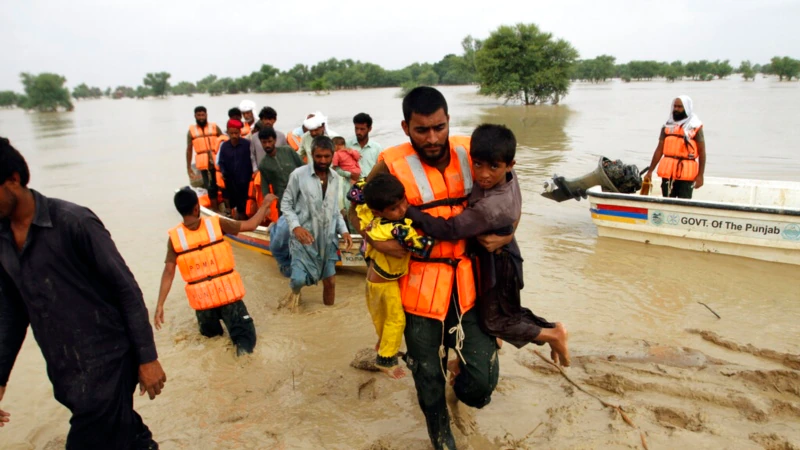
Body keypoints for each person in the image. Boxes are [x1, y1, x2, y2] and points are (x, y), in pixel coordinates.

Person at [351, 86, 514, 450]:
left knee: (483, 385)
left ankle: (461, 381)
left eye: (439, 127)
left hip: (471, 284)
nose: (432, 137)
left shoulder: (469, 150)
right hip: (418, 289)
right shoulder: (389, 163)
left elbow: (509, 189)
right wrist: (374, 239)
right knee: (427, 376)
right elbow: (356, 207)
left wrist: (509, 234)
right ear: (406, 127)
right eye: (422, 130)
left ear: (448, 121)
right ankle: (442, 439)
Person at [0, 138, 166, 448]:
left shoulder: (73, 223)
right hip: (66, 370)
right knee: (126, 438)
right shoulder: (2, 241)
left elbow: (126, 289)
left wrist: (147, 358)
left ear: (13, 180)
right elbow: (11, 313)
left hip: (109, 361)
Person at [405, 124, 570, 362]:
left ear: (509, 165)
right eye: (478, 164)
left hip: (500, 263)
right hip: (503, 252)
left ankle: (551, 334)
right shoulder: (508, 177)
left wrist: (408, 210)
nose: (483, 174)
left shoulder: (490, 206)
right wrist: (511, 231)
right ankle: (552, 330)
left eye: (494, 167)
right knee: (506, 310)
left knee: (495, 320)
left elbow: (449, 229)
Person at [154, 187, 276, 356]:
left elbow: (168, 272)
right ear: (197, 208)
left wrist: (160, 304)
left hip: (204, 304)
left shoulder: (175, 239)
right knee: (245, 342)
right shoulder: (216, 223)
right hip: (227, 296)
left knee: (212, 343)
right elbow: (251, 225)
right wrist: (265, 204)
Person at [351, 174, 434, 379]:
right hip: (386, 283)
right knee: (396, 320)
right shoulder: (398, 230)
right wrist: (435, 238)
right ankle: (385, 360)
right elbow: (423, 249)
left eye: (403, 202)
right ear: (378, 211)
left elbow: (356, 193)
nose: (403, 209)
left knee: (381, 318)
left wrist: (366, 185)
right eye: (395, 208)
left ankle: (382, 344)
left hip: (373, 281)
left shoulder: (370, 217)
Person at [280, 136, 352, 310]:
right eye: (319, 156)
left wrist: (344, 231)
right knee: (297, 280)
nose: (322, 161)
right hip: (304, 238)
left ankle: (330, 316)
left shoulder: (335, 178)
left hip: (327, 240)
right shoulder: (298, 175)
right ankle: (294, 295)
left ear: (332, 155)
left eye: (327, 156)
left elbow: (334, 209)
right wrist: (296, 227)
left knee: (331, 282)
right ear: (312, 154)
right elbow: (286, 204)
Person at [256, 127, 305, 278]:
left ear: (274, 140)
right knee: (288, 232)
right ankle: (287, 263)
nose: (267, 145)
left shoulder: (288, 151)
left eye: (269, 141)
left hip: (302, 195)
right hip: (284, 202)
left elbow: (303, 168)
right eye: (264, 142)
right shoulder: (264, 164)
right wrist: (266, 207)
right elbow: (265, 187)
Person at [644, 95, 706, 199]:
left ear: (687, 108)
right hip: (668, 172)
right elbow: (659, 150)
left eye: (680, 107)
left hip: (686, 172)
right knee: (667, 200)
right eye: (675, 106)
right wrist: (650, 171)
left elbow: (702, 151)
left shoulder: (695, 126)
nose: (676, 109)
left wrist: (700, 175)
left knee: (684, 203)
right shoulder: (667, 126)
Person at [186, 106, 223, 209]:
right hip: (204, 165)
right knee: (210, 187)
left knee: (222, 184)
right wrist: (188, 167)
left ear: (206, 115)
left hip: (217, 161)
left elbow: (224, 141)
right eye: (199, 115)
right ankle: (215, 209)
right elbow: (189, 149)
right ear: (195, 116)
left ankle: (226, 207)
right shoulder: (191, 131)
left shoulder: (215, 127)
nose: (201, 117)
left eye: (203, 115)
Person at [218, 119, 253, 220]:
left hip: (245, 179)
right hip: (230, 180)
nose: (234, 135)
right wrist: (223, 172)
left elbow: (252, 160)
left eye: (236, 133)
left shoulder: (247, 144)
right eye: (232, 133)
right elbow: (221, 161)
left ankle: (245, 216)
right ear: (228, 132)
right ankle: (234, 214)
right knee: (232, 199)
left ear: (240, 132)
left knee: (245, 201)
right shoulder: (224, 146)